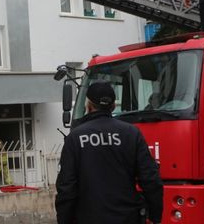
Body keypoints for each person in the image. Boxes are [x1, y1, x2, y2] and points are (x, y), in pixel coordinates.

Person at [55, 81, 164, 224]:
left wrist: (64, 220)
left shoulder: (75, 138)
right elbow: (151, 180)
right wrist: (155, 216)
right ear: (113, 106)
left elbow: (66, 188)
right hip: (128, 218)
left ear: (88, 106)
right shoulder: (132, 133)